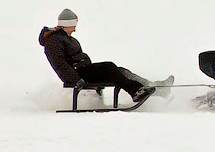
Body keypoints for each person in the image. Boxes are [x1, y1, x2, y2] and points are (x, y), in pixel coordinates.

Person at [39, 9, 174, 102]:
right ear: (66, 25)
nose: (75, 28)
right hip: (77, 75)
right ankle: (136, 92)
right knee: (109, 67)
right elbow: (59, 64)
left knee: (121, 71)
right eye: (74, 25)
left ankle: (156, 88)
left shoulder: (66, 38)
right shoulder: (54, 41)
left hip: (82, 70)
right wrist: (75, 79)